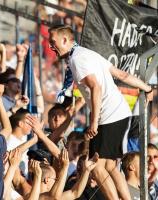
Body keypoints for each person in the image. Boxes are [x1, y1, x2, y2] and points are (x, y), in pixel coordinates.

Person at [48, 24, 153, 200]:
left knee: (95, 167)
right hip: (120, 112)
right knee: (110, 166)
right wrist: (147, 88)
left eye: (53, 42)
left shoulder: (77, 59)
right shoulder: (87, 53)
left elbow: (95, 87)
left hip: (109, 116)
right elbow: (122, 75)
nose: (51, 46)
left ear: (65, 40)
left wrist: (94, 121)